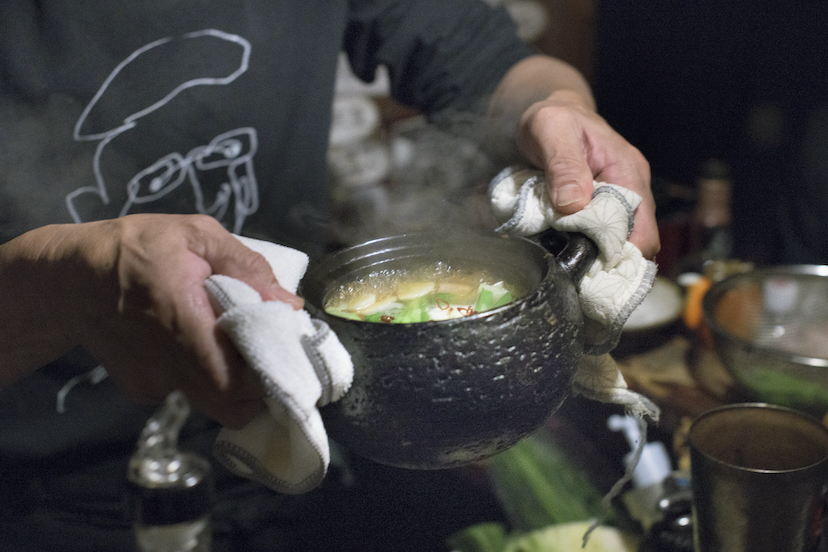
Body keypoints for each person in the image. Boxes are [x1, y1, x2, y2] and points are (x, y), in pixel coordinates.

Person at [0, 1, 658, 550]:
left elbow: (496, 64)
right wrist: (69, 278)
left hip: (306, 456)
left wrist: (557, 110)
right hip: (43, 499)